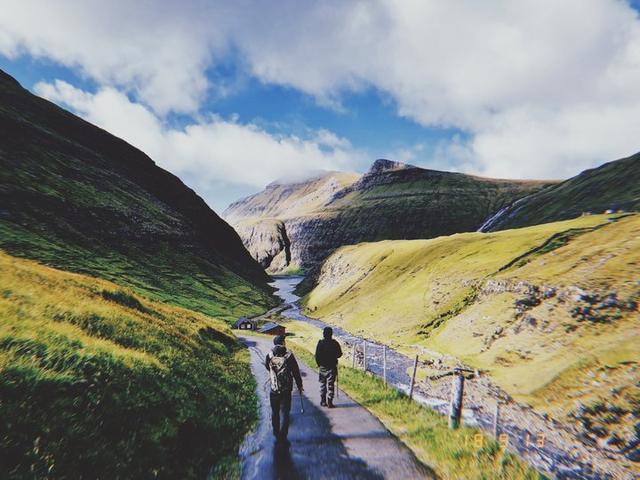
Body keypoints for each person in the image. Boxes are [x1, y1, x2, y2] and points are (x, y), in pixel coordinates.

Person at [265, 335, 303, 445]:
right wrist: (299, 385)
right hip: (286, 389)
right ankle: (283, 434)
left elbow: (267, 367)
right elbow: (295, 371)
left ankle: (276, 433)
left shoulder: (270, 355)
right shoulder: (289, 355)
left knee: (275, 411)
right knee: (285, 412)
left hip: (274, 388)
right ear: (283, 342)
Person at [315, 327, 342, 408]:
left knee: (322, 384)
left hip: (322, 367)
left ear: (324, 334)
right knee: (331, 385)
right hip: (332, 367)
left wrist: (319, 364)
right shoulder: (335, 343)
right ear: (331, 334)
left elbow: (317, 355)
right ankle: (330, 402)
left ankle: (323, 401)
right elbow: (339, 354)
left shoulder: (320, 343)